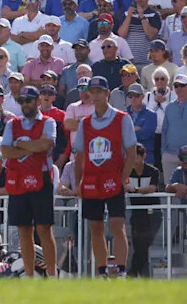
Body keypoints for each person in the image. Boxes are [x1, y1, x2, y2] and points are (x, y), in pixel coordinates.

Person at [73, 75, 137, 278]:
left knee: (117, 225)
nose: (96, 95)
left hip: (113, 179)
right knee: (95, 226)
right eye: (92, 92)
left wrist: (122, 179)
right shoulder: (85, 123)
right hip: (92, 181)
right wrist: (78, 183)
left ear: (107, 93)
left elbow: (131, 152)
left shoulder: (122, 118)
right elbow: (79, 156)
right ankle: (102, 272)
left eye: (100, 91)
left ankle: (120, 272)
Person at [0, 86, 58, 278]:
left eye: (29, 100)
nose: (25, 104)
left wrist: (19, 144)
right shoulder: (12, 124)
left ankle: (51, 274)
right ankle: (30, 276)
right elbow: (6, 152)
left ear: (38, 100)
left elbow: (46, 144)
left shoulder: (48, 122)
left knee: (44, 228)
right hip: (18, 180)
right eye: (22, 101)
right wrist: (32, 148)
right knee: (24, 229)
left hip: (41, 178)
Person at [126, 143, 161, 277]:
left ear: (143, 156)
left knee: (143, 246)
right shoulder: (127, 171)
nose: (133, 161)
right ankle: (144, 278)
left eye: (136, 157)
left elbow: (152, 188)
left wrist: (135, 190)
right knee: (140, 248)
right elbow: (123, 185)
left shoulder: (153, 171)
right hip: (136, 215)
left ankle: (132, 274)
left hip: (153, 214)